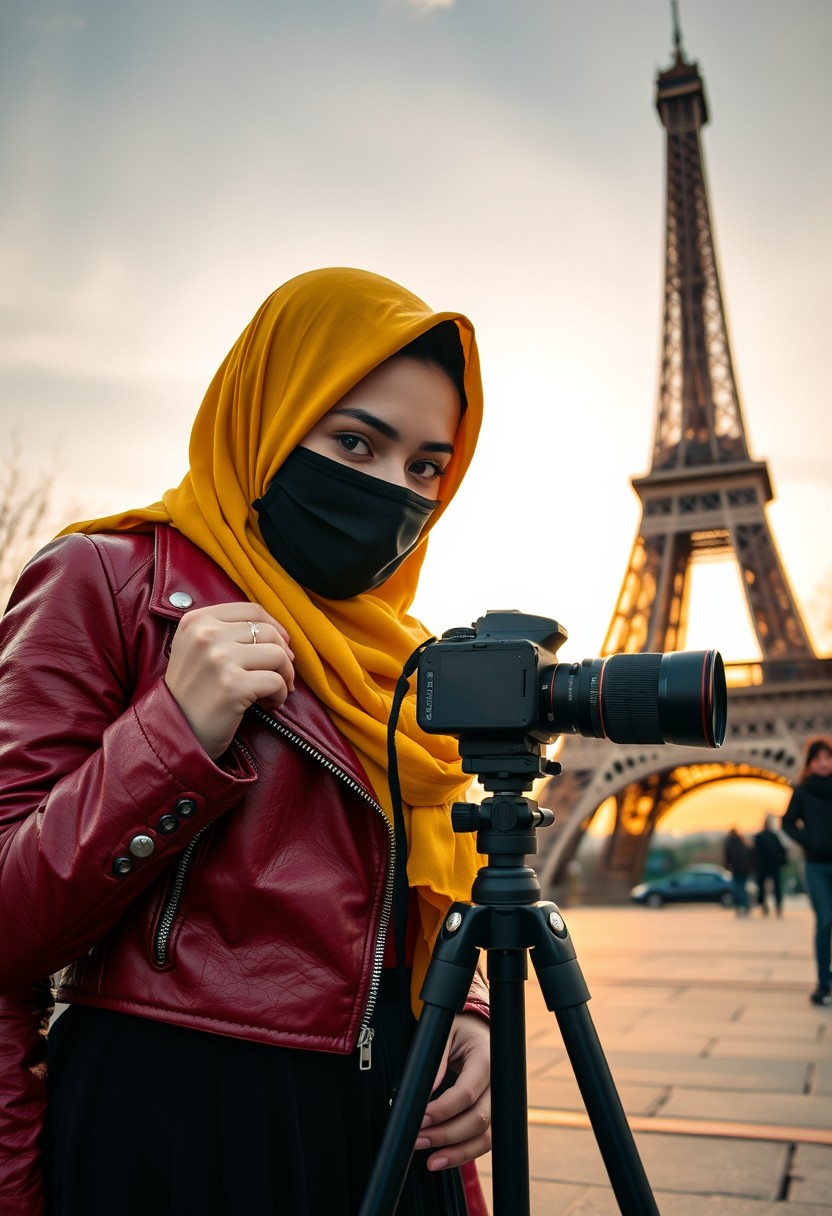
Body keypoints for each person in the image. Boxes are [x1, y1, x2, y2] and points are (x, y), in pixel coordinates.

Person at [0, 268, 493, 1216]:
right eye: (356, 441)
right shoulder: (105, 583)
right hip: (180, 1126)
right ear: (265, 418)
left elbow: (424, 894)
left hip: (391, 1116)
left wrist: (464, 1011)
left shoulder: (407, 660)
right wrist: (171, 737)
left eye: (426, 467)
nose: (393, 489)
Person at [782, 736, 832, 1006]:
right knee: (825, 922)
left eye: (827, 757)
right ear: (810, 763)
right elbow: (787, 823)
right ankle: (823, 981)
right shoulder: (802, 791)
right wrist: (809, 840)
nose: (823, 763)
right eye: (817, 759)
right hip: (816, 866)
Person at [753, 814, 788, 917]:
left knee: (763, 887)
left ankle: (766, 906)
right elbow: (781, 849)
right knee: (776, 887)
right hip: (772, 865)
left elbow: (755, 853)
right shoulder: (773, 836)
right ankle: (777, 907)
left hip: (763, 866)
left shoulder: (759, 837)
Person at [723, 828, 752, 916]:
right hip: (745, 868)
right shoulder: (741, 841)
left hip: (736, 869)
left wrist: (727, 867)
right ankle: (745, 905)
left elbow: (728, 857)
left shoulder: (730, 843)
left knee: (738, 888)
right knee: (742, 887)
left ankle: (740, 905)